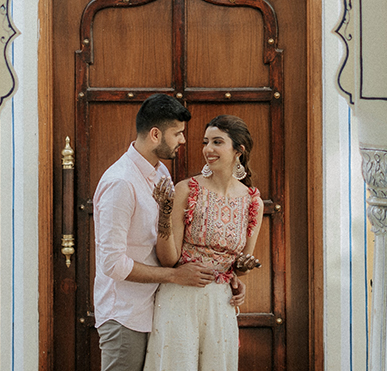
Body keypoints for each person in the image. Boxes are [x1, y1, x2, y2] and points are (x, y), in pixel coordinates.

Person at [93, 94, 221, 371]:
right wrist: (175, 276)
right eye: (177, 134)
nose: (183, 141)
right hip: (125, 315)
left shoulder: (161, 173)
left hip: (160, 310)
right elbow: (113, 264)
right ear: (155, 134)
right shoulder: (120, 183)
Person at [143, 115, 264, 371]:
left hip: (220, 304)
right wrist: (164, 215)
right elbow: (168, 259)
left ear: (238, 150)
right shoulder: (187, 189)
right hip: (180, 298)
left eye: (217, 142)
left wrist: (241, 272)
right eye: (206, 142)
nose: (208, 149)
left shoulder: (253, 202)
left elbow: (240, 266)